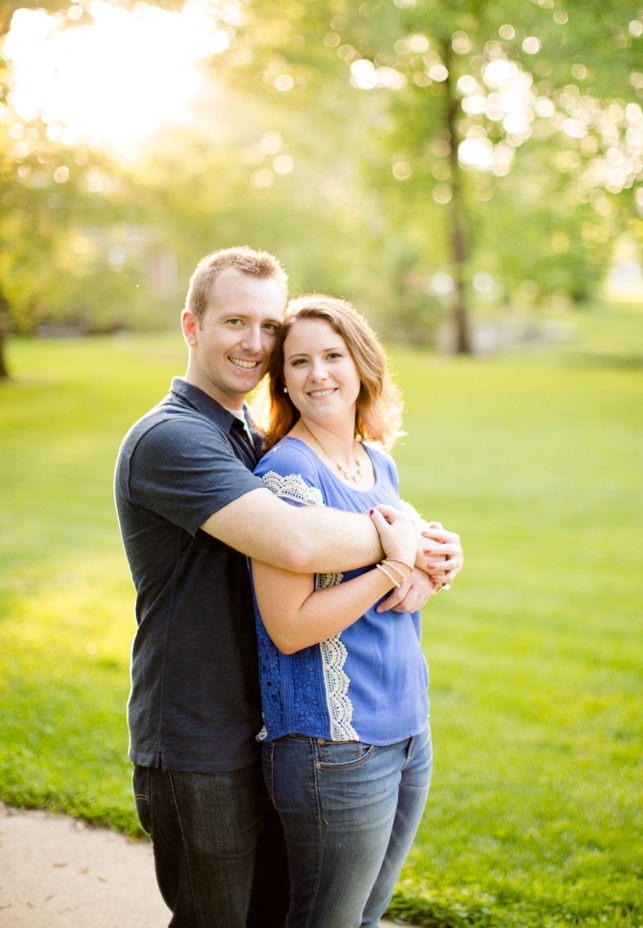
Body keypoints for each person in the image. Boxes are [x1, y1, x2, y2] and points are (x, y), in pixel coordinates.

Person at [114, 247, 461, 926]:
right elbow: (297, 541)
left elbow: (327, 534)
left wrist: (420, 543)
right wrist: (407, 544)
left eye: (270, 326)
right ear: (192, 326)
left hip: (269, 724)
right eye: (234, 321)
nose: (256, 343)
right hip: (200, 738)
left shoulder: (246, 432)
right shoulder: (173, 439)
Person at [249, 294, 440, 927]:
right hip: (336, 743)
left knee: (367, 916)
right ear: (283, 381)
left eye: (332, 356)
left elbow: (402, 584)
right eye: (298, 362)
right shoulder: (287, 474)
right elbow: (290, 626)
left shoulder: (376, 462)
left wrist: (431, 565)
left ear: (362, 363)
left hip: (409, 725)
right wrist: (391, 564)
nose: (317, 374)